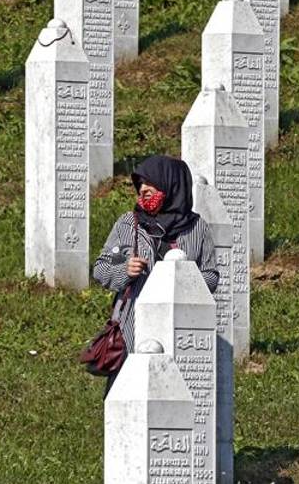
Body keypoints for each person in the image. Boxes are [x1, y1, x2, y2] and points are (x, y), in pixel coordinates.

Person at [92, 155, 219, 391]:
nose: (143, 191)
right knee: (130, 389)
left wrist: (182, 279)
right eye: (140, 186)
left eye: (150, 184)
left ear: (171, 184)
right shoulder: (128, 224)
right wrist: (125, 270)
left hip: (180, 327)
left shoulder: (197, 227)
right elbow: (101, 269)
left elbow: (211, 276)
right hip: (133, 326)